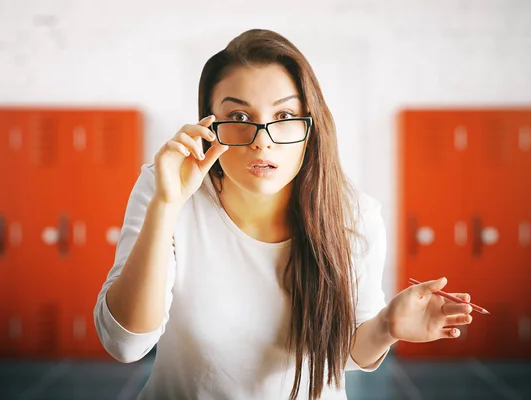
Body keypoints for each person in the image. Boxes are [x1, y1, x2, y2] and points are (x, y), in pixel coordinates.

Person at [94, 29, 474, 400]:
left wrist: (387, 327)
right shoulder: (166, 187)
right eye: (239, 117)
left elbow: (345, 354)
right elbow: (126, 345)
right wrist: (166, 205)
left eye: (285, 115)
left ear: (310, 128)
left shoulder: (354, 216)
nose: (263, 140)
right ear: (208, 125)